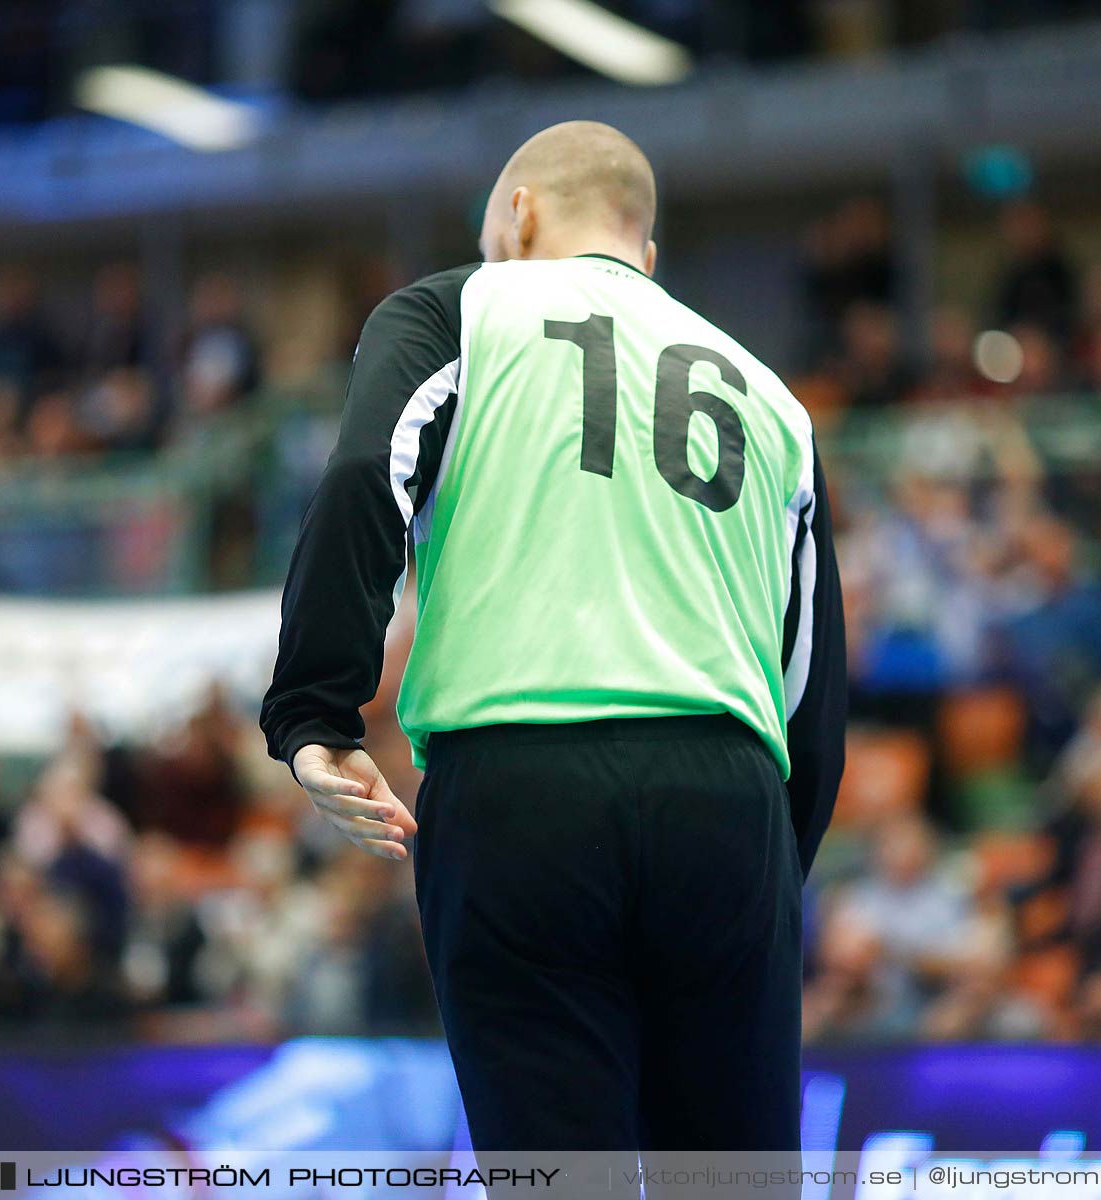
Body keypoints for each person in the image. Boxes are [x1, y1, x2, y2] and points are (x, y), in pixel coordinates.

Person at [261, 121, 846, 1161]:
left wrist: (314, 709)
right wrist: (760, 876)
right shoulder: (772, 397)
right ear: (646, 253)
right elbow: (811, 681)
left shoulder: (462, 306)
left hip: (518, 794)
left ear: (520, 215)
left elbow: (366, 476)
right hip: (727, 806)